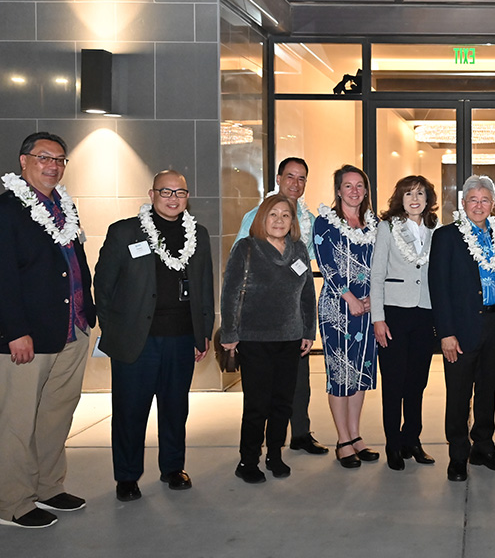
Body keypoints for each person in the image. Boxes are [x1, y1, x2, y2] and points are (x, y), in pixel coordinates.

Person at [94, 170, 214, 502]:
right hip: (137, 341)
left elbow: (205, 287)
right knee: (130, 411)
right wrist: (114, 329)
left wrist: (202, 334)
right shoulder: (124, 232)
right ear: (151, 194)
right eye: (166, 192)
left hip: (181, 338)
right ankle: (127, 476)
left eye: (180, 192)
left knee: (176, 409)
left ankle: (173, 468)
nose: (173, 198)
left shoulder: (198, 235)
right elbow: (103, 285)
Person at [0, 133, 95, 529]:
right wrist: (14, 331)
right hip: (28, 336)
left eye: (59, 159)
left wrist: (87, 313)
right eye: (44, 158)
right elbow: (3, 275)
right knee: (17, 422)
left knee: (56, 414)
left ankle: (48, 486)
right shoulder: (8, 209)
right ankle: (13, 502)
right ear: (24, 161)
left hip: (71, 328)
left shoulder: (62, 205)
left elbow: (75, 261)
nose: (52, 166)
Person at [234, 157, 326, 456]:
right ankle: (254, 452)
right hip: (260, 323)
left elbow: (305, 263)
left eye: (301, 178)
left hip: (293, 317)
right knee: (261, 394)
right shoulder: (256, 217)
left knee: (298, 384)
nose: (295, 183)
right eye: (290, 177)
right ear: (278, 177)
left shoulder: (306, 219)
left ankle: (299, 433)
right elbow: (238, 269)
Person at [429, 175, 495, 482]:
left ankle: (483, 446)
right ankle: (457, 454)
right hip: (461, 328)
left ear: (493, 204)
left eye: (485, 200)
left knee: (487, 391)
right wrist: (446, 333)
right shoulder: (446, 237)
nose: (479, 206)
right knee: (458, 394)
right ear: (463, 203)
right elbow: (438, 288)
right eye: (473, 200)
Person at [221, 194, 316, 484]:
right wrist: (229, 334)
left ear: (292, 221)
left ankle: (275, 454)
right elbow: (231, 292)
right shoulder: (247, 248)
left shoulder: (299, 250)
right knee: (256, 405)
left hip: (290, 340)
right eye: (273, 214)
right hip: (254, 340)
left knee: (282, 403)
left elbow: (307, 295)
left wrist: (308, 332)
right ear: (262, 218)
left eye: (285, 216)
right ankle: (248, 460)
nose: (279, 220)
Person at [370, 175, 439, 471]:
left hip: (425, 313)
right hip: (394, 314)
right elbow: (376, 275)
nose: (415, 199)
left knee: (417, 383)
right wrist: (378, 319)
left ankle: (413, 439)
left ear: (428, 199)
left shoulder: (436, 229)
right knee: (394, 384)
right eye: (409, 193)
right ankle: (393, 445)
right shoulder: (387, 228)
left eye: (420, 194)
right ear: (401, 198)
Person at [314, 165, 380, 468]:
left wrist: (372, 298)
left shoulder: (373, 223)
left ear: (365, 191)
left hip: (367, 307)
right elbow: (327, 264)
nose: (354, 191)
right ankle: (342, 439)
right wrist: (349, 296)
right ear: (338, 190)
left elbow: (380, 264)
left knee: (360, 372)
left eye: (359, 186)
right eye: (348, 186)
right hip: (338, 308)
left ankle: (356, 435)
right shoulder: (324, 223)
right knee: (340, 373)